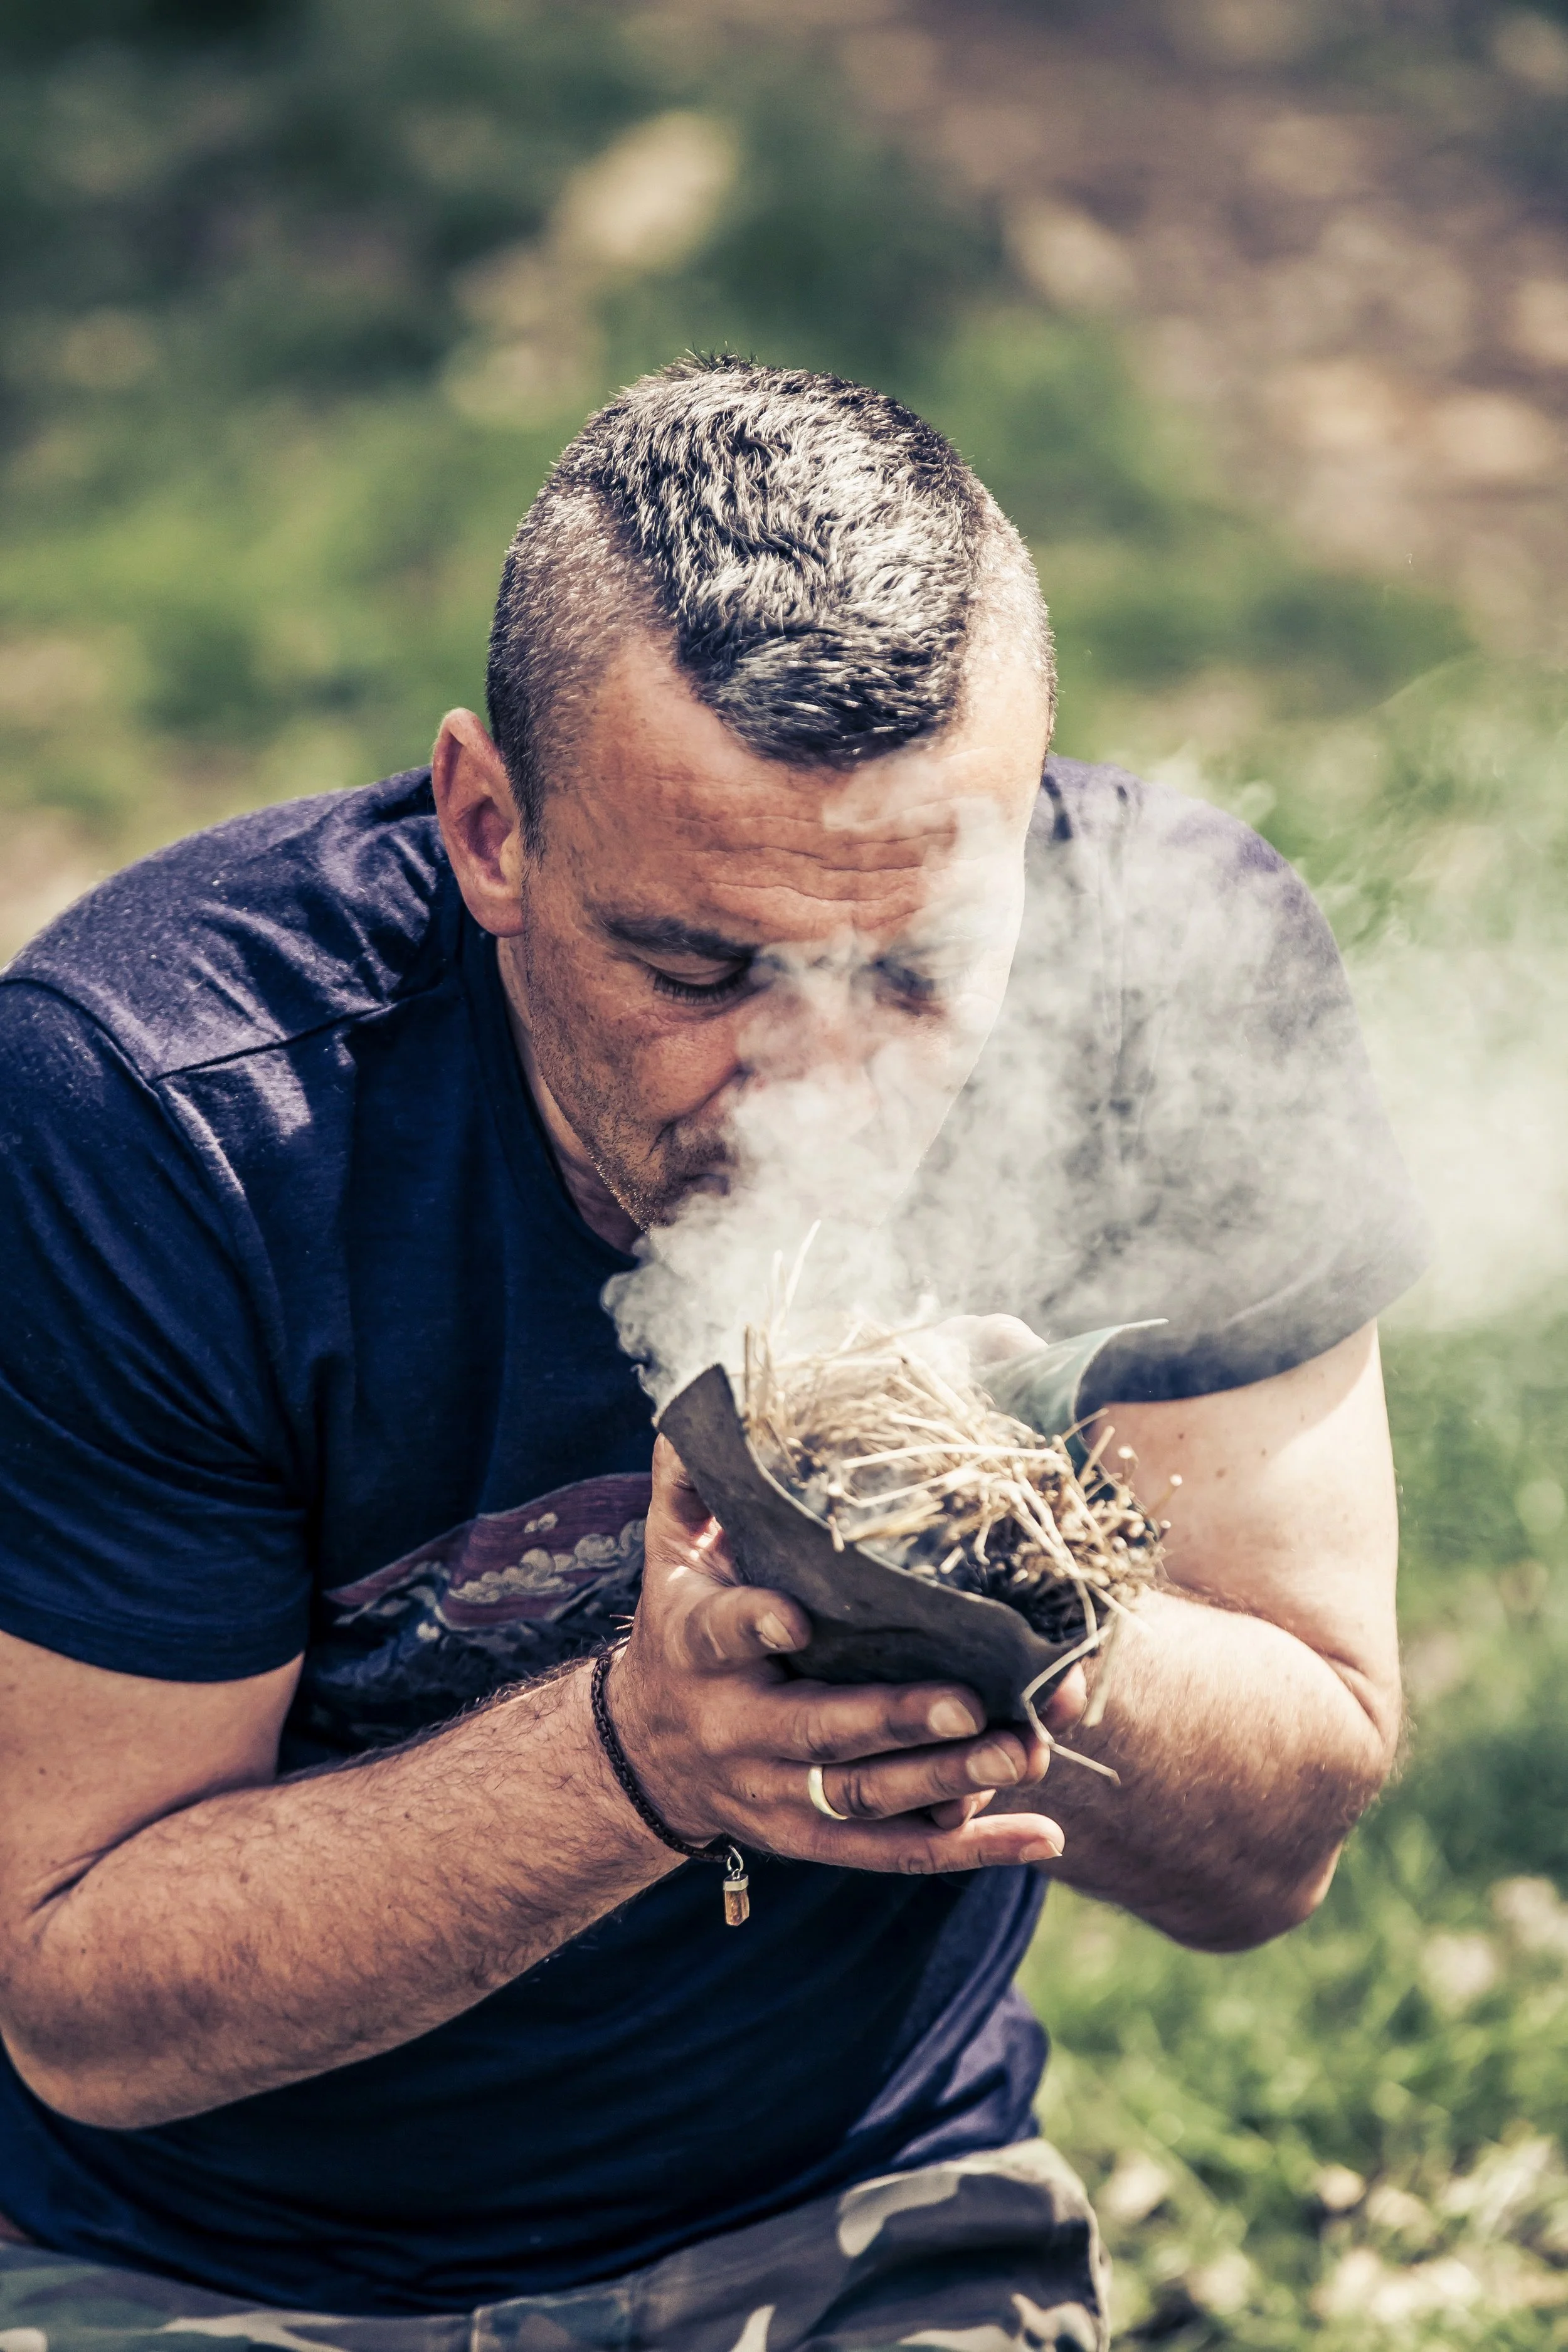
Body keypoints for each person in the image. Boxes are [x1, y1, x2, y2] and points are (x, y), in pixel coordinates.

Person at [0, 359, 1423, 2352]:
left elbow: (1273, 1840)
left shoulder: (1171, 976)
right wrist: (640, 1759)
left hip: (857, 2207)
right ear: (487, 824)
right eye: (696, 966)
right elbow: (77, 1997)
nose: (808, 1087)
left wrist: (993, 1583)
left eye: (916, 968)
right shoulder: (167, 1110)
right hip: (226, 2271)